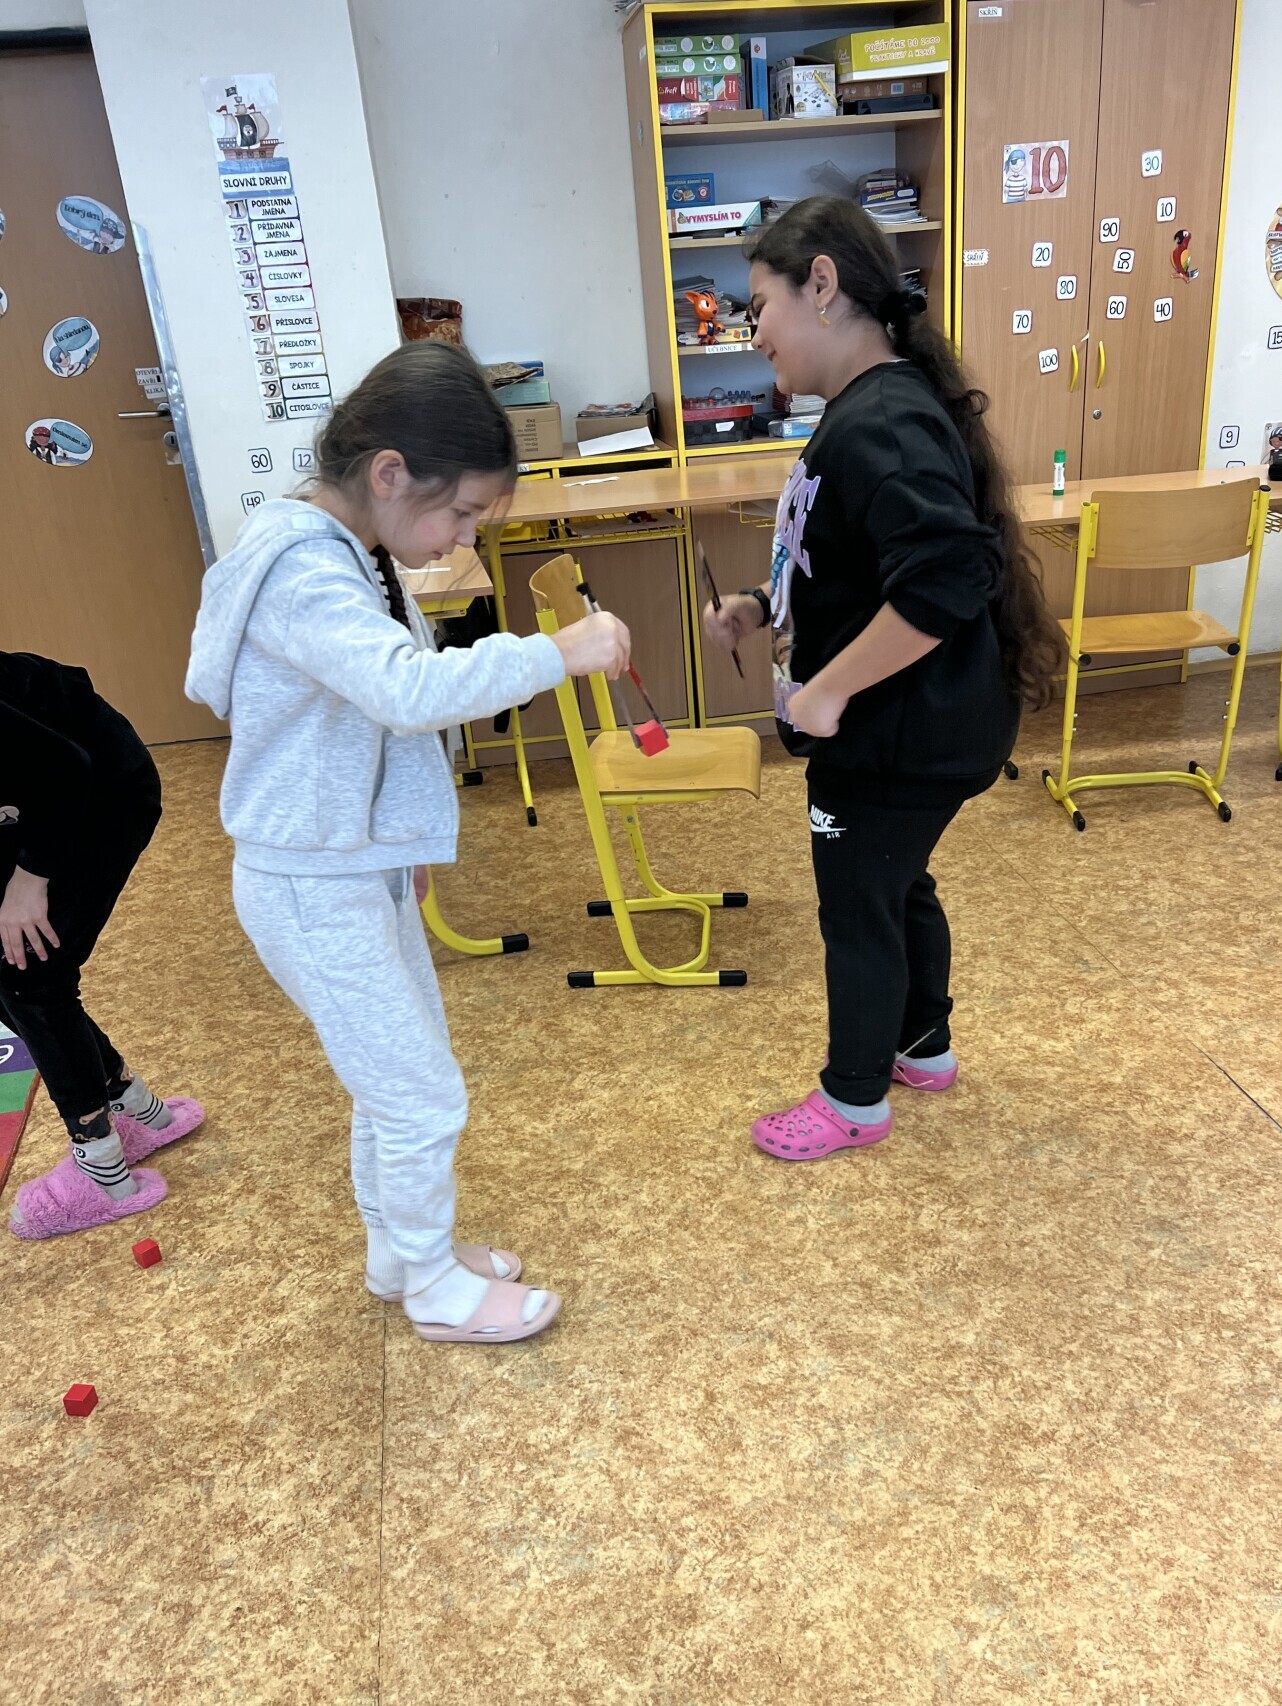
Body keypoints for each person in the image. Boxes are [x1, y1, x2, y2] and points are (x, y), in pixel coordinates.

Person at [186, 341, 630, 1343]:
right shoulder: (304, 569)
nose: (463, 536)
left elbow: (373, 720)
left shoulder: (349, 550)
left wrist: (403, 837)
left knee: (393, 1077)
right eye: (461, 512)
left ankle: (400, 1253)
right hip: (313, 883)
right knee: (419, 1094)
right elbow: (406, 692)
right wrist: (555, 651)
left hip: (354, 863)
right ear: (389, 473)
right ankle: (433, 1287)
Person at [703, 196, 1063, 1162]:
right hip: (922, 725)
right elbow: (859, 564)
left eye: (760, 306)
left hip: (895, 732)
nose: (755, 334)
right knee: (899, 883)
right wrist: (762, 603)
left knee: (859, 903)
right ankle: (922, 1047)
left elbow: (946, 577)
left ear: (821, 285)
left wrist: (827, 690)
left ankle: (854, 1098)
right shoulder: (869, 411)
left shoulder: (883, 421)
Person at [3, 652, 202, 1239]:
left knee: (31, 974)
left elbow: (62, 767)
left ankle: (103, 1171)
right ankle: (133, 1108)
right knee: (7, 968)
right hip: (27, 792)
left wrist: (31, 879)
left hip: (98, 786)